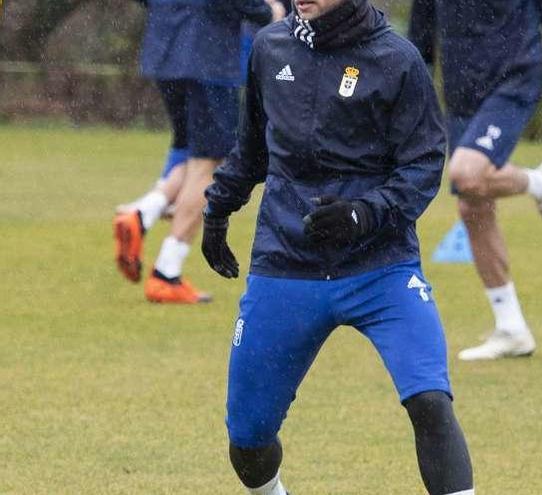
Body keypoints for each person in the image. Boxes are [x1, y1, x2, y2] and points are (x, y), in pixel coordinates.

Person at [200, 0, 475, 493]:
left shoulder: (398, 60)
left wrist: (364, 213)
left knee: (430, 400)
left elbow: (424, 164)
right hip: (286, 263)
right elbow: (253, 148)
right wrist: (218, 209)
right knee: (247, 442)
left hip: (382, 267)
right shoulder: (270, 46)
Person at [408, 0, 542, 360]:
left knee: (466, 174)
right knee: (471, 204)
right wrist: (412, 75)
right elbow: (422, 19)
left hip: (514, 75)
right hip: (460, 87)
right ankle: (511, 328)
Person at [112, 0, 285, 303]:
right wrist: (267, 12)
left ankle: (143, 212)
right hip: (207, 57)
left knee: (193, 154)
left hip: (165, 54)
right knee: (211, 164)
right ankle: (166, 272)